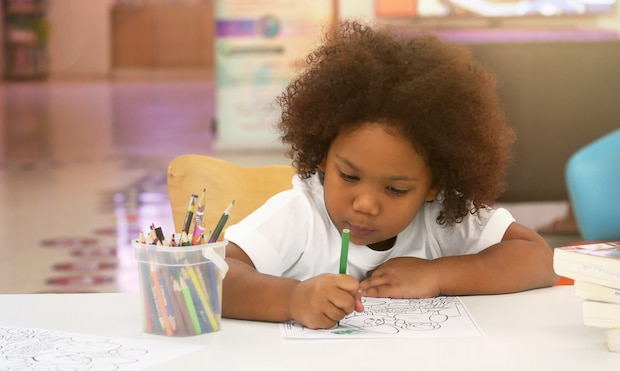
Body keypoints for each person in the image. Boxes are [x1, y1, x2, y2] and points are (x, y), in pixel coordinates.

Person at [222, 20, 559, 329]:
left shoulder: (438, 218)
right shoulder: (299, 215)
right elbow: (215, 277)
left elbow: (538, 259)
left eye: (396, 189)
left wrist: (438, 274)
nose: (366, 204)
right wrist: (292, 299)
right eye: (349, 177)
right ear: (323, 156)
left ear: (433, 187)